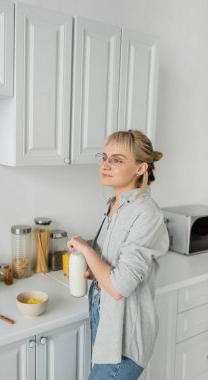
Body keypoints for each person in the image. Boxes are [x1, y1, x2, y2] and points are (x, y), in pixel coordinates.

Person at [67, 130, 169, 380]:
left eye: (117, 159)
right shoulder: (114, 205)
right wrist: (91, 271)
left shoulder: (146, 213)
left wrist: (87, 250)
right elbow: (112, 268)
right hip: (106, 325)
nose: (105, 165)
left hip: (124, 341)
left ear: (140, 168)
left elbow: (119, 287)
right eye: (105, 157)